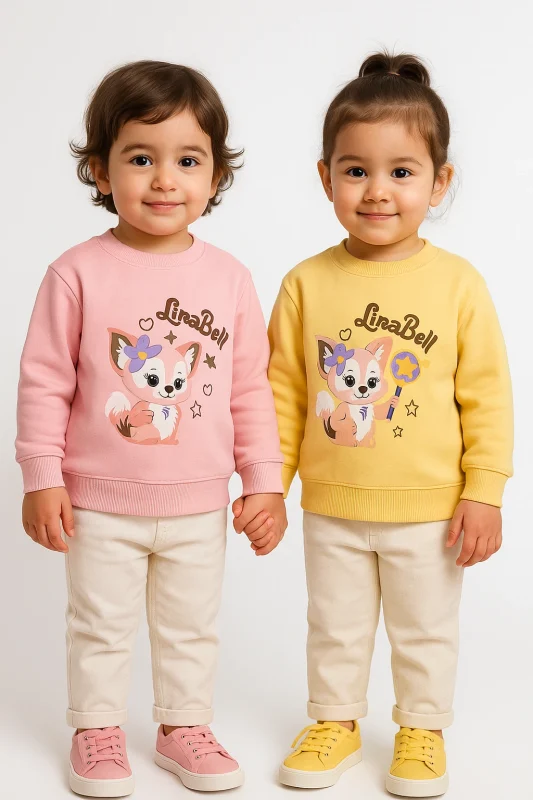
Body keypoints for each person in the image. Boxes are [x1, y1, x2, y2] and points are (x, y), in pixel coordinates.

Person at [16, 59, 286, 797]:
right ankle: (97, 728)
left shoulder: (230, 279)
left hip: (199, 503)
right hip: (99, 501)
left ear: (215, 176)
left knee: (190, 626)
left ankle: (183, 726)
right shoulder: (75, 273)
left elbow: (248, 389)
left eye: (187, 161)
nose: (165, 180)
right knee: (99, 623)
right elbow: (44, 380)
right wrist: (41, 477)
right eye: (141, 158)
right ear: (100, 171)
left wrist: (263, 481)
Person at [263, 51, 513, 797]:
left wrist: (485, 491)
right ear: (325, 178)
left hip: (430, 509)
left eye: (401, 172)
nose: (377, 191)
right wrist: (268, 483)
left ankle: (421, 730)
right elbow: (282, 391)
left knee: (424, 629)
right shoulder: (305, 282)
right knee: (334, 625)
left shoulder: (458, 284)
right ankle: (335, 722)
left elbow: (487, 396)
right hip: (332, 505)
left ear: (439, 182)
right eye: (356, 170)